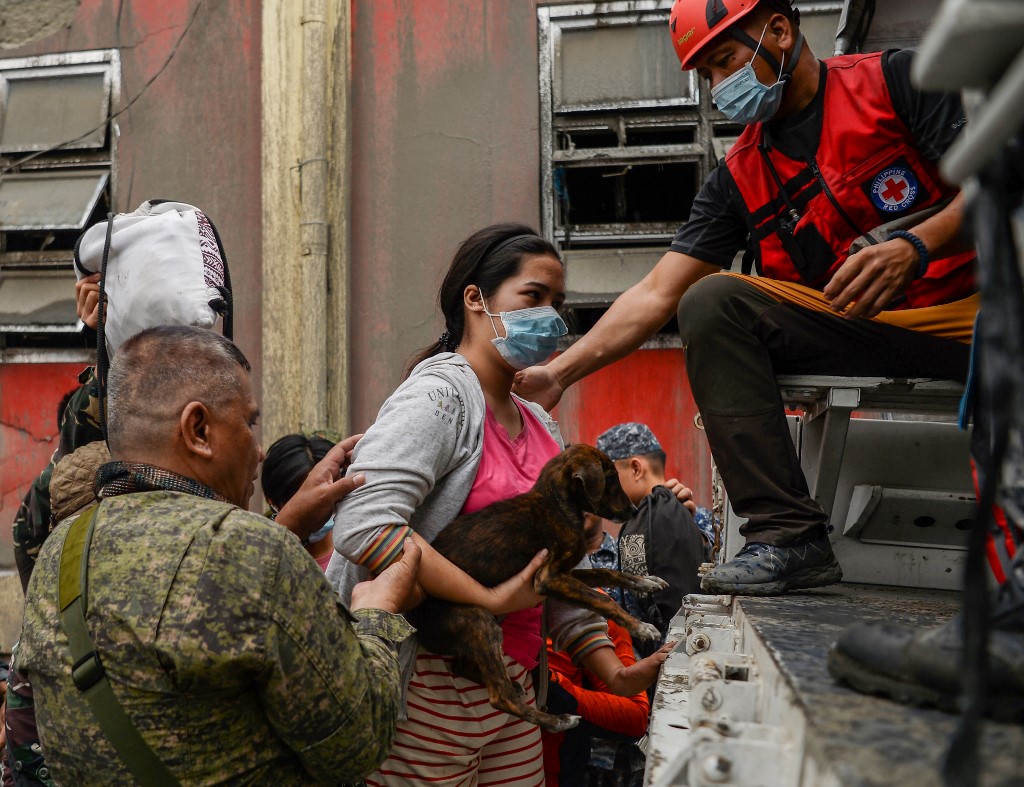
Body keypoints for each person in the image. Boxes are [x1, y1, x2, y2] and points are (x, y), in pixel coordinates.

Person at [514, 0, 977, 596]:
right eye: (705, 75)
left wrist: (917, 244)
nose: (717, 86)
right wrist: (559, 372)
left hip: (974, 323)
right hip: (857, 334)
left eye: (725, 60)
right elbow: (659, 291)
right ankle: (789, 535)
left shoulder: (896, 84)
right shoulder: (739, 176)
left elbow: (1003, 183)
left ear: (780, 31)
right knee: (710, 301)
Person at [325, 223, 668, 786]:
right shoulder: (437, 397)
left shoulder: (541, 425)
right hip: (430, 690)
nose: (551, 318)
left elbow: (555, 577)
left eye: (558, 303)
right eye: (533, 297)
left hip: (510, 697)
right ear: (475, 299)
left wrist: (618, 675)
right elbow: (365, 526)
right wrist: (488, 598)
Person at [12, 326, 422, 783]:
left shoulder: (61, 550)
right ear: (198, 429)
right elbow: (356, 745)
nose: (260, 449)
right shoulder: (255, 554)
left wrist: (284, 526)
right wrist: (376, 614)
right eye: (248, 423)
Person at [596, 423, 705, 645]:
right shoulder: (629, 532)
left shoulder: (698, 520)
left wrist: (690, 530)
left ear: (636, 468)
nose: (600, 493)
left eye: (606, 479)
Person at [262, 432, 340, 571]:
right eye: (300, 499)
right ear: (273, 502)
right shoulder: (267, 561)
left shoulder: (354, 551)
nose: (316, 507)